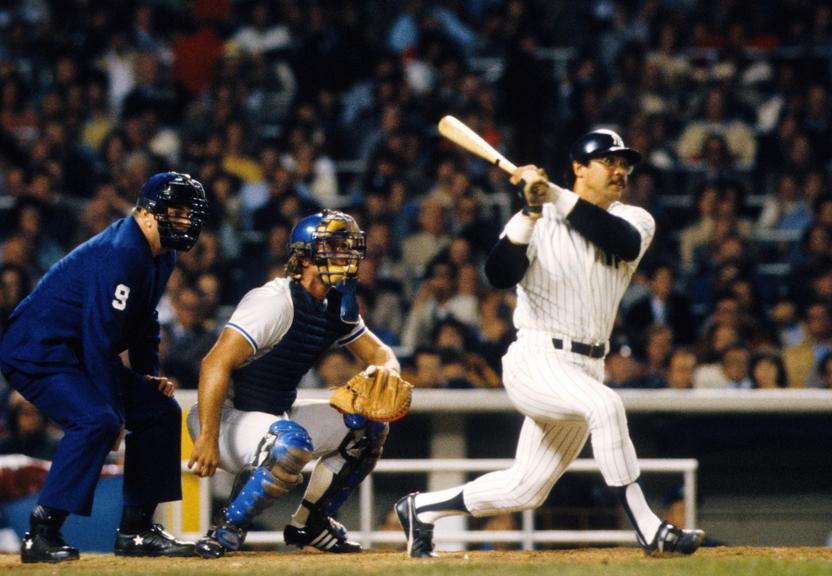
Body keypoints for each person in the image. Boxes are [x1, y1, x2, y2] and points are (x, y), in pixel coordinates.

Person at [394, 129, 704, 557]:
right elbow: (499, 274)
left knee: (526, 489)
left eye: (625, 164)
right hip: (537, 359)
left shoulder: (635, 220)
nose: (620, 171)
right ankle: (650, 529)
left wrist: (553, 192)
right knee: (606, 406)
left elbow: (620, 241)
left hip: (587, 366)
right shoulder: (537, 218)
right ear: (579, 167)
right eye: (608, 162)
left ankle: (421, 508)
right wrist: (528, 210)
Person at [0, 172, 208, 563]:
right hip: (37, 350)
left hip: (77, 350)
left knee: (160, 411)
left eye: (188, 214)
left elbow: (144, 321)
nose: (184, 222)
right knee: (96, 419)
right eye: (175, 213)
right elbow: (99, 337)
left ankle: (137, 532)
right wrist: (111, 410)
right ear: (146, 214)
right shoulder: (123, 252)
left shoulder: (161, 253)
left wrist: (148, 375)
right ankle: (41, 532)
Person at [186, 209, 401, 558]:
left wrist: (380, 375)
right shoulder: (274, 301)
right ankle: (225, 529)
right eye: (333, 246)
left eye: (347, 247)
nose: (344, 255)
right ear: (305, 255)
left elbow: (382, 355)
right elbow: (214, 362)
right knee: (289, 441)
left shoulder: (336, 304)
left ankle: (311, 522)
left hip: (273, 416)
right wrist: (208, 437)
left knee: (368, 426)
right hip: (226, 416)